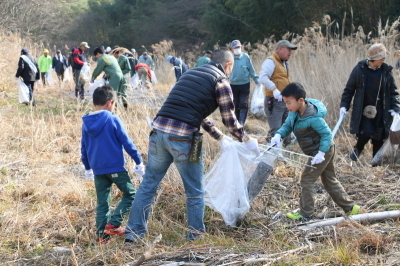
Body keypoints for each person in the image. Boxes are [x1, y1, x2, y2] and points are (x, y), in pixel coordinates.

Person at [125, 48, 260, 245]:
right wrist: (246, 139)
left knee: (148, 185)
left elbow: (195, 111)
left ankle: (133, 234)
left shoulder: (190, 74)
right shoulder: (221, 81)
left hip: (158, 132)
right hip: (183, 138)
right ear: (228, 65)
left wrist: (219, 137)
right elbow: (230, 120)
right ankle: (195, 236)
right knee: (195, 190)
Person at [270, 82, 360, 221]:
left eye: (289, 103)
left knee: (306, 179)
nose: (287, 107)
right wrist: (279, 135)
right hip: (318, 151)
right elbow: (288, 125)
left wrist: (321, 153)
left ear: (300, 100)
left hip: (323, 151)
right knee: (329, 180)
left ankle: (306, 213)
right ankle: (351, 208)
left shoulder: (313, 117)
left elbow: (327, 135)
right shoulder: (294, 113)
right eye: (285, 103)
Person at [81, 85, 145, 244]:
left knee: (102, 203)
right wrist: (138, 161)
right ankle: (114, 224)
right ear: (110, 103)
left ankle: (101, 237)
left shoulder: (86, 122)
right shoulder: (112, 119)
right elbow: (126, 142)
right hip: (116, 167)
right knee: (130, 194)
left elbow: (83, 147)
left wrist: (87, 167)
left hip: (98, 169)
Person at [340, 43, 400, 162]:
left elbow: (393, 92)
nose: (384, 59)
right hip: (363, 110)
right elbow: (349, 90)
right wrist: (344, 106)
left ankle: (375, 162)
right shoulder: (359, 70)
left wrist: (396, 108)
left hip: (381, 110)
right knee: (366, 133)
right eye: (381, 57)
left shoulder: (386, 71)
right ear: (374, 59)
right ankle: (358, 148)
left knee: (378, 138)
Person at [260, 40, 297, 144]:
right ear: (280, 49)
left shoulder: (284, 63)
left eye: (291, 50)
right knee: (276, 129)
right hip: (273, 100)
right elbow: (262, 78)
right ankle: (271, 151)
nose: (290, 52)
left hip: (285, 101)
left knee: (286, 126)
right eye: (288, 49)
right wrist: (274, 89)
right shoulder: (270, 61)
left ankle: (285, 151)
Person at [229, 40, 259, 126]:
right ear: (232, 49)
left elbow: (251, 70)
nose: (237, 49)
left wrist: (257, 81)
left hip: (244, 84)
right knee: (235, 104)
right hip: (233, 85)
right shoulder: (229, 58)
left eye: (238, 47)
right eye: (235, 48)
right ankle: (236, 123)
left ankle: (241, 123)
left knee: (243, 103)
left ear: (241, 47)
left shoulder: (246, 57)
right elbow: (225, 71)